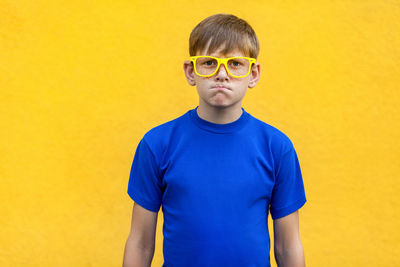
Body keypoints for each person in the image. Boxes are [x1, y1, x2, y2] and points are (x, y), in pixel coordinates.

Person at [123, 13, 307, 267]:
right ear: (190, 71)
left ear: (253, 74)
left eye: (235, 64)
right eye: (209, 62)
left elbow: (288, 246)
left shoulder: (277, 148)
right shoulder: (157, 144)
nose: (222, 74)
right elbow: (140, 243)